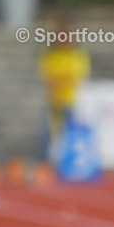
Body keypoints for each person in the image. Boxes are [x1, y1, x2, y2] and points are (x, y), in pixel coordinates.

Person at [38, 28, 90, 160]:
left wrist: (61, 82)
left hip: (71, 100)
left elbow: (77, 78)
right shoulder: (51, 56)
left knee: (70, 134)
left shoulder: (77, 55)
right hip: (53, 100)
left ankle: (68, 161)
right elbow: (48, 78)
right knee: (48, 134)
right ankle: (44, 162)